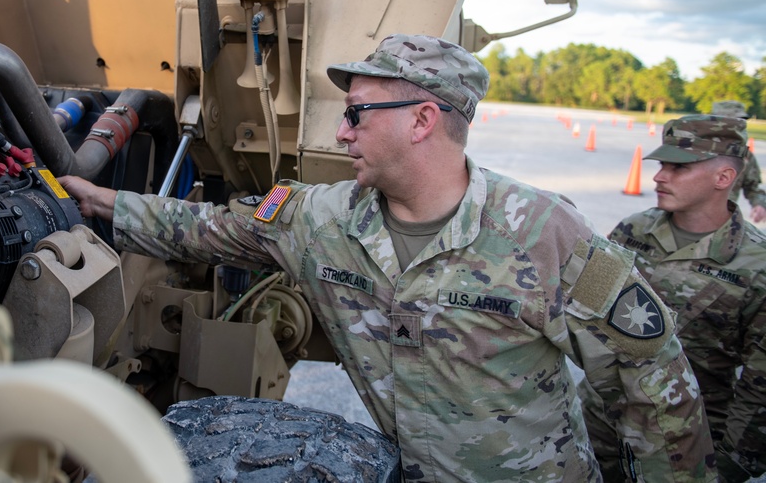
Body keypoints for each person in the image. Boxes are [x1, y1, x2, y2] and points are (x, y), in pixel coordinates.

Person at [59, 34, 714, 482]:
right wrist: (99, 201)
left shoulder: (550, 233)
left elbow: (653, 376)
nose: (341, 131)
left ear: (423, 119)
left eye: (357, 112)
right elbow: (208, 229)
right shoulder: (323, 219)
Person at [600, 114, 766, 481]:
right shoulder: (632, 230)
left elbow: (760, 386)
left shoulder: (756, 265)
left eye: (679, 167)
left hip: (688, 442)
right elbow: (584, 311)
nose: (659, 176)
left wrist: (732, 462)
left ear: (723, 178)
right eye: (662, 165)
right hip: (602, 424)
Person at [711, 100, 766, 224]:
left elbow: (752, 188)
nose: (738, 127)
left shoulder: (744, 156)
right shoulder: (695, 149)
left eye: (741, 122)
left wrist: (759, 204)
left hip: (723, 222)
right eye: (733, 121)